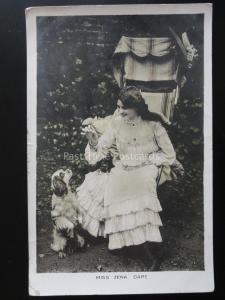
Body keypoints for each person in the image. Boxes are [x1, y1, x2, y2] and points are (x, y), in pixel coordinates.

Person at [78, 87, 176, 269]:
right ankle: (131, 244)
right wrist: (92, 141)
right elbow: (100, 150)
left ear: (136, 107)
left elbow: (169, 155)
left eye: (124, 108)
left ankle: (149, 252)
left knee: (141, 188)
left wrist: (148, 160)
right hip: (123, 168)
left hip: (146, 168)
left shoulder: (154, 124)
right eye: (118, 107)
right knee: (115, 186)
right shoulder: (116, 123)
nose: (119, 111)